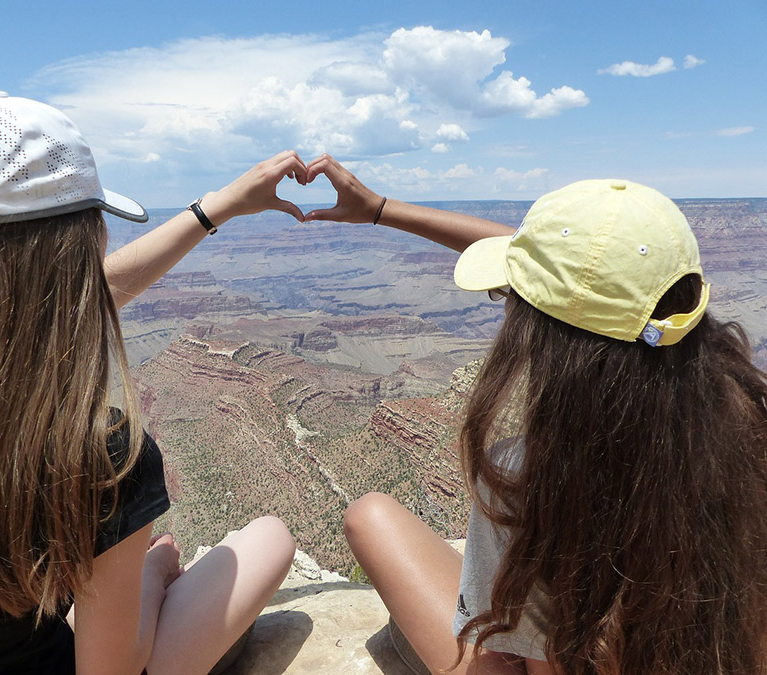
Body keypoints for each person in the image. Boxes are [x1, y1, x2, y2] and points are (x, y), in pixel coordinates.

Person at [0, 92, 303, 674]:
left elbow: (58, 304)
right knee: (270, 537)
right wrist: (148, 575)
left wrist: (216, 209)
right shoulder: (101, 451)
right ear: (80, 241)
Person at [305, 155, 767, 675]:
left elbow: (525, 667)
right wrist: (381, 209)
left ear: (538, 334)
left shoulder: (533, 473)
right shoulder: (750, 421)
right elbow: (595, 293)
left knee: (371, 517)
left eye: (511, 296)